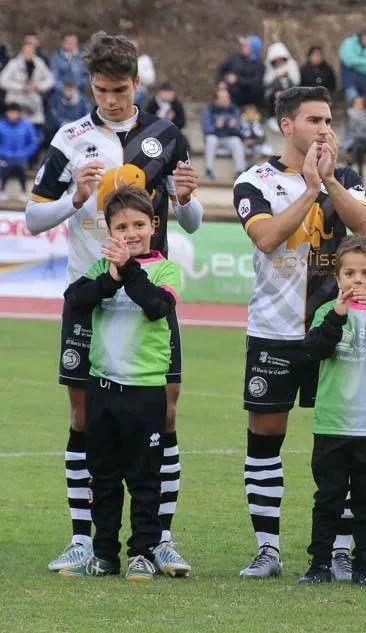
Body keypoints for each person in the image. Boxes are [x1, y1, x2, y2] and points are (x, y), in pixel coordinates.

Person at [25, 31, 202, 578]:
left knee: (165, 414)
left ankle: (160, 538)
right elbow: (33, 218)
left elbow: (192, 222)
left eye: (119, 90)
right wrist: (72, 199)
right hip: (90, 297)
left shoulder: (166, 136)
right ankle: (85, 540)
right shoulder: (71, 137)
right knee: (82, 418)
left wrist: (188, 198)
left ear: (136, 83)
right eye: (100, 90)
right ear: (90, 87)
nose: (109, 100)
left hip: (151, 296)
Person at [232, 85, 366, 579]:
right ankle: (268, 548)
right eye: (315, 120)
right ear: (287, 126)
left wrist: (329, 183)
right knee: (266, 433)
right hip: (273, 331)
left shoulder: (347, 178)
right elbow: (268, 239)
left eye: (329, 120)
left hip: (331, 331)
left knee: (338, 442)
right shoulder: (254, 180)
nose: (326, 129)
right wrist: (310, 189)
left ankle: (337, 548)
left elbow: (365, 228)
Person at [57, 186, 183, 582]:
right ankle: (105, 553)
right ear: (109, 232)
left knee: (145, 478)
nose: (131, 232)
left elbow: (156, 307)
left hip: (146, 392)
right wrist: (111, 275)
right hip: (103, 390)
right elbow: (75, 299)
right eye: (121, 226)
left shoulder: (165, 270)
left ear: (153, 226)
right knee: (105, 477)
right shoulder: (100, 269)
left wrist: (127, 269)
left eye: (139, 224)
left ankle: (143, 552)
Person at [298, 236, 366, 587]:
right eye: (349, 273)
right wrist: (338, 315)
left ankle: (365, 566)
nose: (357, 281)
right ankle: (319, 563)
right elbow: (315, 349)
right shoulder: (327, 312)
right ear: (337, 277)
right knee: (327, 498)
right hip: (332, 423)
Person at [201, 87, 247, 181]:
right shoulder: (208, 109)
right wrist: (216, 126)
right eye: (223, 98)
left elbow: (241, 131)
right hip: (215, 137)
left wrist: (234, 127)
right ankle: (208, 170)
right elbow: (206, 130)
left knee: (236, 141)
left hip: (228, 137)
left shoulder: (234, 109)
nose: (226, 100)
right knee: (210, 140)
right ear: (216, 100)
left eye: (227, 98)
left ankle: (240, 171)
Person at [0, 102, 39, 201]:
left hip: (22, 157)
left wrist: (24, 154)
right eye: (10, 112)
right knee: (5, 167)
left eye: (14, 112)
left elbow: (33, 142)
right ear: (6, 113)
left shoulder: (27, 125)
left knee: (21, 167)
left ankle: (23, 191)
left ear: (19, 113)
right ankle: (2, 190)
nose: (12, 115)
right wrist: (4, 153)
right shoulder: (1, 125)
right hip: (4, 157)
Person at [216, 36, 265, 109]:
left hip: (251, 97)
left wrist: (237, 80)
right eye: (243, 45)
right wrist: (220, 81)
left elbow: (256, 82)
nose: (243, 47)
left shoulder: (259, 64)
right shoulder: (235, 58)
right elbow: (221, 68)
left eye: (246, 46)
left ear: (254, 48)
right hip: (233, 94)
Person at [338, 27, 366, 103]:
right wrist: (364, 61)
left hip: (364, 82)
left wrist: (356, 63)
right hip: (349, 82)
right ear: (362, 35)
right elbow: (350, 61)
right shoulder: (348, 43)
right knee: (354, 99)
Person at [341, 95, 366, 177]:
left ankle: (348, 167)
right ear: (352, 104)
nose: (358, 105)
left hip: (364, 142)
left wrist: (360, 121)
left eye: (360, 103)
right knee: (358, 146)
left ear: (364, 105)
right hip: (349, 143)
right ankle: (360, 172)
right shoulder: (348, 115)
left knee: (359, 145)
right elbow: (344, 132)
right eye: (356, 103)